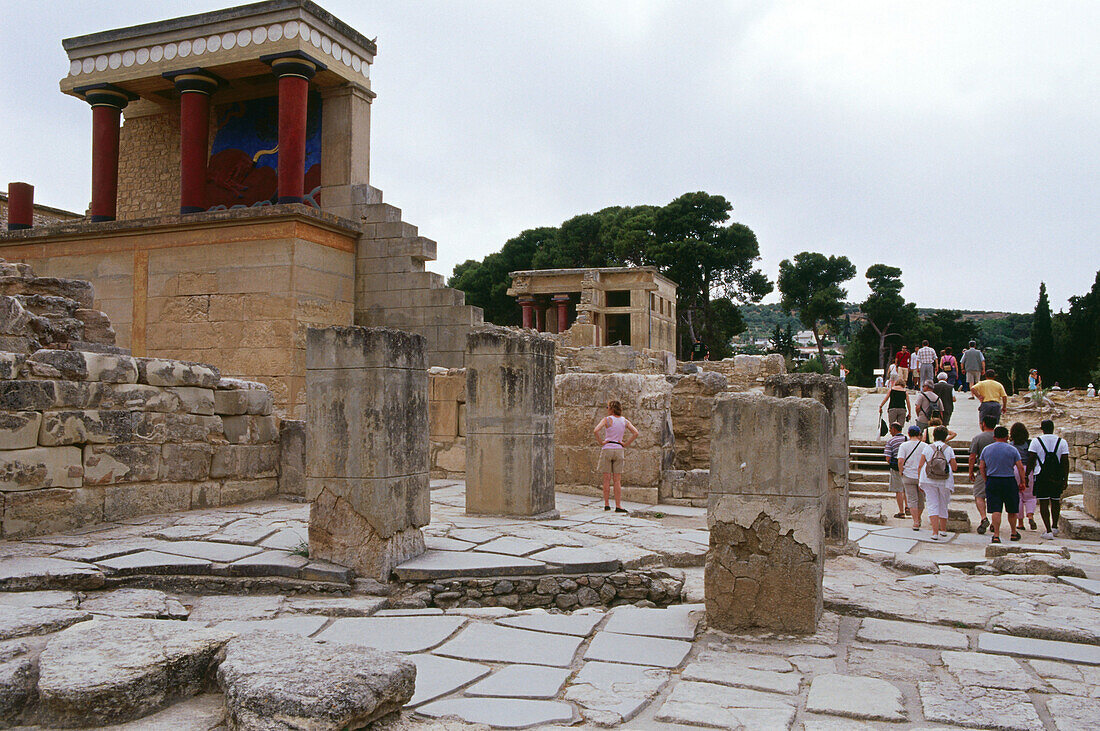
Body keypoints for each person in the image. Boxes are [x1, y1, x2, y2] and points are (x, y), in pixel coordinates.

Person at [978, 425, 1027, 543]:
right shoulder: (1012, 449)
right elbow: (1020, 467)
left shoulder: (987, 449)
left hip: (993, 480)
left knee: (996, 509)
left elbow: (981, 466)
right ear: (1007, 437)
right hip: (1009, 480)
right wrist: (1023, 481)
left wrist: (986, 479)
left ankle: (996, 535)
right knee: (1011, 509)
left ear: (994, 436)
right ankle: (1014, 532)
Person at [1027, 419, 1070, 539]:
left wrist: (1026, 476)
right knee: (1056, 501)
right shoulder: (1062, 442)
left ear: (1042, 429)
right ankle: (1055, 526)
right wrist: (1065, 479)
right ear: (1053, 428)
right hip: (1057, 475)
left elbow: (1031, 460)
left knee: (1044, 502)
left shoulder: (1036, 441)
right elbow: (1065, 461)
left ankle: (1048, 530)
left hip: (1041, 474)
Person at [593, 400, 639, 513]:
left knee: (606, 479)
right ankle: (618, 505)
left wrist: (601, 442)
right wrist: (625, 443)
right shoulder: (624, 421)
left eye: (607, 406)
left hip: (607, 448)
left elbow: (596, 430)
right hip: (619, 449)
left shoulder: (607, 420)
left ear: (611, 408)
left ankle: (607, 504)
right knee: (617, 480)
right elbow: (636, 433)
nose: (606, 408)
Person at [918, 425, 957, 540]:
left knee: (932, 503)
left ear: (933, 435)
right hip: (945, 480)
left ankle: (934, 532)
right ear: (946, 436)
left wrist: (920, 480)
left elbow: (920, 465)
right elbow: (954, 467)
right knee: (943, 504)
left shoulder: (928, 448)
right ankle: (943, 530)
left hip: (928, 479)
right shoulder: (948, 449)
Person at [969, 415, 998, 534]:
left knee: (979, 495)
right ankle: (995, 522)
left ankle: (983, 517)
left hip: (982, 470)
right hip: (997, 471)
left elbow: (972, 456)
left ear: (983, 424)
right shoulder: (999, 438)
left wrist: (970, 471)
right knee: (996, 497)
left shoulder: (978, 438)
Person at [1010, 422, 1038, 532]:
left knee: (1018, 496)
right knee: (1030, 496)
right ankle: (1030, 516)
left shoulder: (1011, 444)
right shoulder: (1029, 444)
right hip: (1028, 470)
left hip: (1015, 469)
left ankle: (1020, 523)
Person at [897, 426, 926, 530]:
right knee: (921, 499)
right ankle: (918, 517)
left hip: (908, 474)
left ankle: (915, 522)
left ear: (908, 434)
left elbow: (900, 460)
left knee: (912, 499)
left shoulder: (904, 446)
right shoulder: (925, 446)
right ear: (919, 434)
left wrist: (901, 471)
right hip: (921, 475)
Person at [884, 422, 908, 518]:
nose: (890, 432)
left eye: (890, 430)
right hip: (907, 467)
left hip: (896, 467)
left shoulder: (891, 441)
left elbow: (888, 458)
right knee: (907, 488)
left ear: (894, 429)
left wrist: (893, 464)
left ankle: (901, 511)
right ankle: (908, 507)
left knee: (899, 490)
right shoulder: (907, 439)